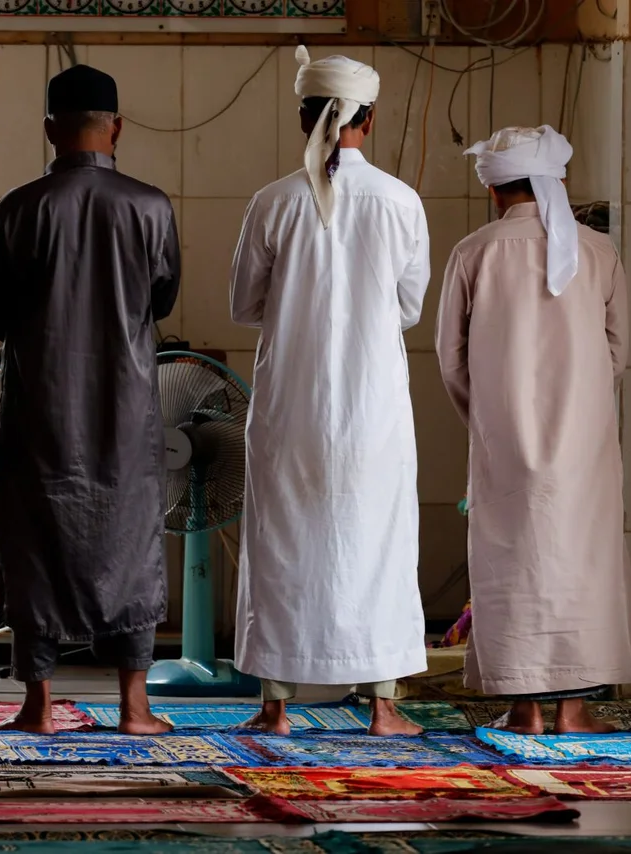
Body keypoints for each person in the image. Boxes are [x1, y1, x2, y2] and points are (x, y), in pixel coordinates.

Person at [0, 64, 180, 735]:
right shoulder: (150, 206)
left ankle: (38, 707)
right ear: (116, 128)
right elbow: (162, 299)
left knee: (35, 542)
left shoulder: (18, 208)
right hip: (124, 410)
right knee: (131, 544)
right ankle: (135, 708)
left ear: (49, 129)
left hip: (42, 410)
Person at [229, 47, 430, 736]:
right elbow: (408, 308)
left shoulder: (272, 202)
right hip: (373, 410)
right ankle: (383, 708)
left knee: (283, 545)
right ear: (368, 120)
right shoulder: (401, 202)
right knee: (376, 545)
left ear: (303, 116)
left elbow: (244, 304)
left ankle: (275, 708)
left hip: (291, 407)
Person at [436, 125, 631, 734]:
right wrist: (582, 409)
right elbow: (618, 351)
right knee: (580, 563)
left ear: (495, 190)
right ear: (557, 181)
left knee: (513, 567)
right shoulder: (599, 252)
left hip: (504, 441)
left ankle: (523, 709)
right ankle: (573, 711)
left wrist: (491, 420)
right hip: (584, 443)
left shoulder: (473, 252)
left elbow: (451, 359)